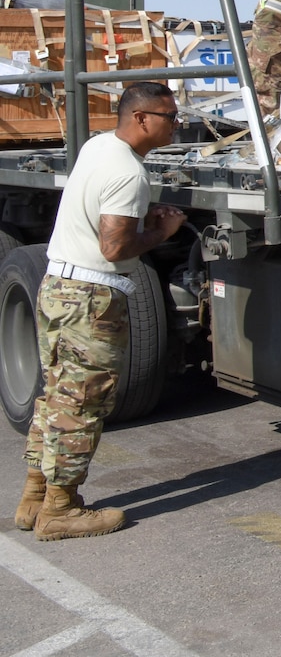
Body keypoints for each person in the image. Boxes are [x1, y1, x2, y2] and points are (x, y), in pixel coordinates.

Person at [16, 82, 185, 540]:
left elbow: (100, 224)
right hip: (91, 297)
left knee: (55, 395)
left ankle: (35, 496)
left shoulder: (98, 147)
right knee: (83, 404)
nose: (176, 124)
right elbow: (114, 247)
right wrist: (162, 232)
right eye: (169, 117)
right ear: (142, 119)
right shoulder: (130, 175)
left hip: (59, 286)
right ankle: (60, 509)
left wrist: (141, 226)